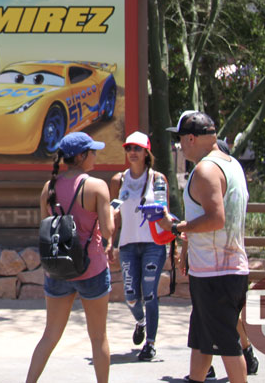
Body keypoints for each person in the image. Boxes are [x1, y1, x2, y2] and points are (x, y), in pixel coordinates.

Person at [159, 110, 249, 383]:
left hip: (216, 274)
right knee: (201, 339)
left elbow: (215, 219)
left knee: (227, 345)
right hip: (221, 271)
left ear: (191, 138)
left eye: (179, 139)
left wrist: (176, 227)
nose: (178, 145)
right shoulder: (231, 163)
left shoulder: (206, 169)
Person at [26, 132, 114, 383]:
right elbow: (107, 231)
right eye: (93, 152)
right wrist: (113, 215)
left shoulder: (49, 187)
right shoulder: (97, 186)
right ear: (82, 156)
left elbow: (44, 226)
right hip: (92, 267)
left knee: (50, 335)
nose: (96, 156)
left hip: (58, 268)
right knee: (98, 337)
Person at [109, 131, 169, 362]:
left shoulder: (157, 179)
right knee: (131, 295)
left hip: (153, 243)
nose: (132, 153)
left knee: (151, 294)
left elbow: (164, 211)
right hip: (128, 244)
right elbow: (113, 213)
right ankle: (140, 322)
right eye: (128, 148)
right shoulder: (119, 180)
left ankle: (150, 343)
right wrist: (109, 242)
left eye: (137, 148)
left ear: (146, 152)